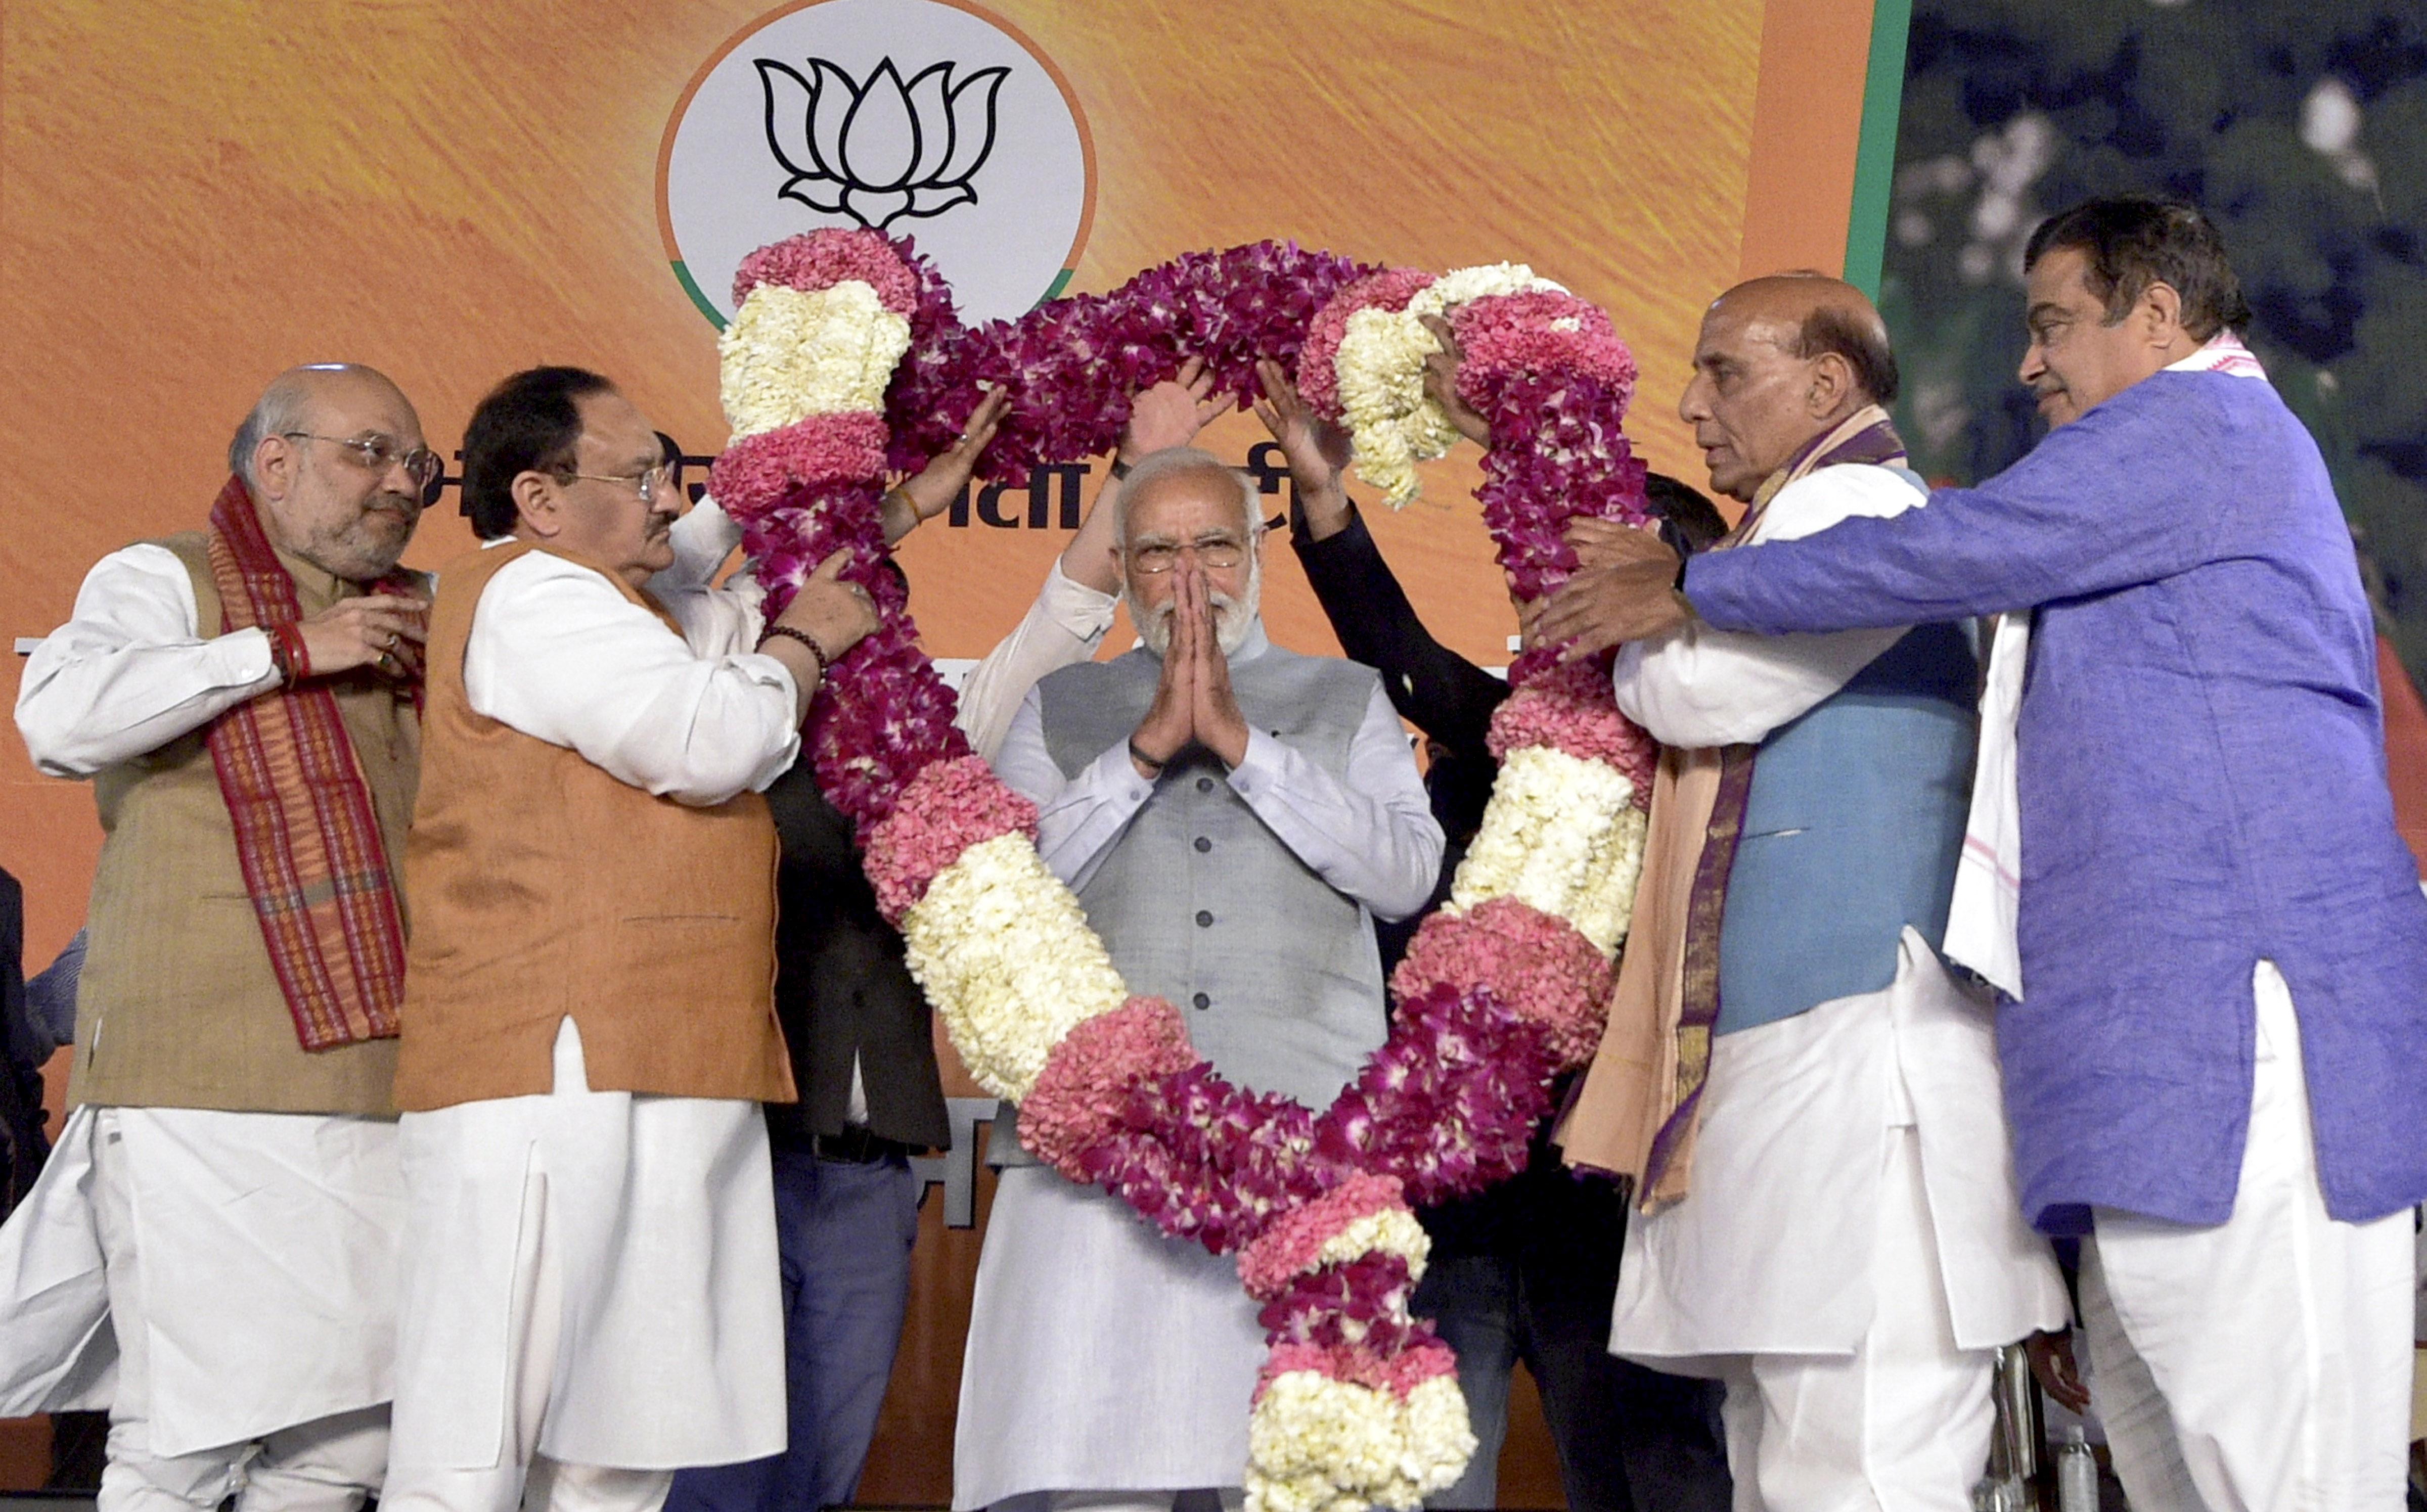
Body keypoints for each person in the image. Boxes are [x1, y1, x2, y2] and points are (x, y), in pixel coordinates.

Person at [1538, 200, 2427, 1511]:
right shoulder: (2161, 484)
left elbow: (1953, 547)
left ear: (2161, 318)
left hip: (2240, 1037)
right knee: (2185, 1458)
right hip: (2150, 1067)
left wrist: (1691, 587)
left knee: (2276, 1470)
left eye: (2056, 323)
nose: (2030, 363)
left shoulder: (2204, 428)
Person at [1545, 274, 2069, 1509]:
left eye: (1725, 370)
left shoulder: (1856, 506)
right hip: (1804, 1060)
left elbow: (1699, 693)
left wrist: (1652, 606)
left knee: (1862, 1461)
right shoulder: (1788, 520)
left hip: (1866, 1065)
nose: (1691, 403)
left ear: (1827, 384)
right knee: (1794, 1455)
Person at [378, 365, 879, 1512]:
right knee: (478, 1445)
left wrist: (854, 497)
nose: (667, 500)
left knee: (620, 1450)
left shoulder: (617, 599)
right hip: (544, 1068)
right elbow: (704, 736)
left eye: (674, 474)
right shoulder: (530, 591)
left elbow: (702, 583)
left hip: (656, 1057)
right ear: (540, 498)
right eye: (644, 473)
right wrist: (803, 642)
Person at [1256, 356, 1732, 1512]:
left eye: (1591, 582)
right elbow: (1401, 658)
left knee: (1646, 1476)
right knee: (1425, 1484)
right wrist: (1325, 504)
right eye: (1549, 579)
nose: (1552, 604)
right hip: (1456, 1202)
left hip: (1615, 1202)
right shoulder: (1505, 734)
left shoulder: (1712, 765)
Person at [959, 446, 1446, 1512]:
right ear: (1123, 570)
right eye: (1161, 550)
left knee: (1298, 1478)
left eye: (1216, 544)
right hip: (1100, 1155)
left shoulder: (1345, 695)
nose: (1192, 576)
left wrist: (1240, 743)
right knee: (1092, 1471)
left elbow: (1407, 875)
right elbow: (1003, 901)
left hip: (1305, 1140)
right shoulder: (1062, 705)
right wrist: (1138, 756)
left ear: (1259, 554)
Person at [4, 363, 439, 1512]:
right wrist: (287, 648)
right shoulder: (166, 576)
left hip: (391, 1072)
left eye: (415, 464)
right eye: (370, 453)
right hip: (201, 1070)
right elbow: (60, 716)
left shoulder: (423, 611)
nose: (400, 483)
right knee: (183, 1435)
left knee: (352, 1439)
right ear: (276, 460)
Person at [659, 386, 1009, 1512]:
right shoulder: (728, 749)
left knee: (827, 1458)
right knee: (720, 1458)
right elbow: (675, 599)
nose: (871, 632)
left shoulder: (931, 764)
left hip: (871, 1168)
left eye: (885, 616)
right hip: (746, 1145)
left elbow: (1047, 632)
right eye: (851, 614)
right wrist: (885, 513)